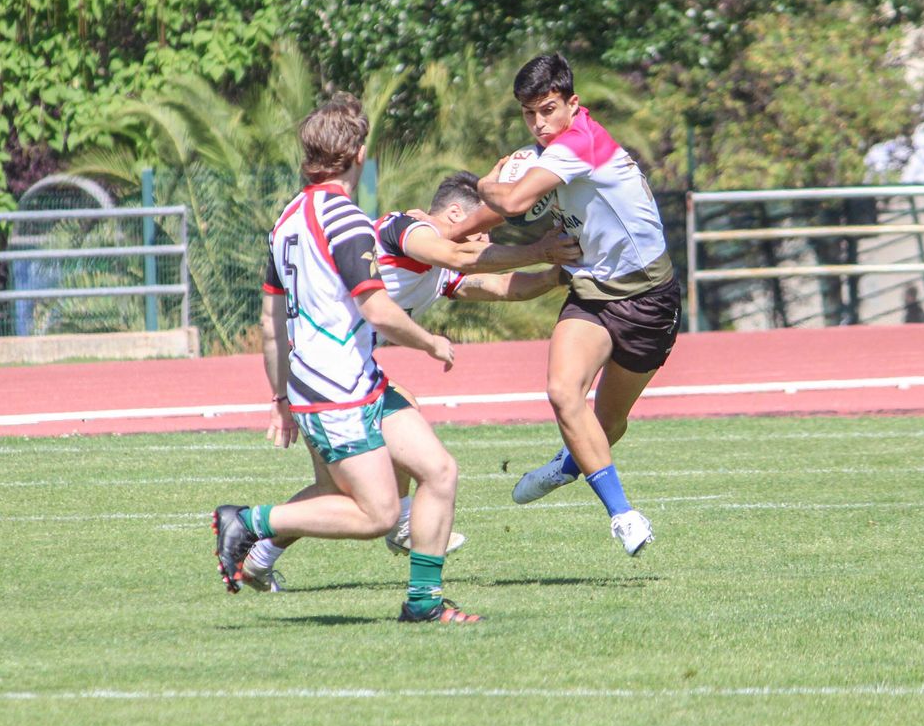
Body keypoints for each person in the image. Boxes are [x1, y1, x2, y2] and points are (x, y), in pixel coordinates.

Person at [238, 169, 577, 591]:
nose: (491, 238)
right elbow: (462, 258)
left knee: (350, 483)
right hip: (327, 373)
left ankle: (258, 557)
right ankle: (388, 531)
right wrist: (542, 249)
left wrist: (559, 274)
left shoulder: (436, 263)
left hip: (344, 373)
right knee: (395, 464)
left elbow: (502, 286)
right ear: (455, 213)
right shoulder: (409, 230)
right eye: (489, 225)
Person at [211, 94, 479, 624]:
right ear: (358, 154)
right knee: (378, 514)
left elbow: (271, 322)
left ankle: (423, 603)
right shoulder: (346, 220)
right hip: (337, 389)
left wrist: (279, 398)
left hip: (349, 382)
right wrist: (430, 343)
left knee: (439, 470)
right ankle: (248, 521)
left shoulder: (286, 219)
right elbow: (377, 308)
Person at [473, 53, 680, 556]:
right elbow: (496, 214)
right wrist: (442, 234)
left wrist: (483, 184)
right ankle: (625, 517)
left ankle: (567, 466)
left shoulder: (577, 145)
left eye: (547, 110)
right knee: (564, 392)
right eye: (529, 115)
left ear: (572, 104)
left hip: (649, 299)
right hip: (590, 292)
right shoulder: (554, 152)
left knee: (608, 425)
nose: (539, 124)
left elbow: (514, 203)